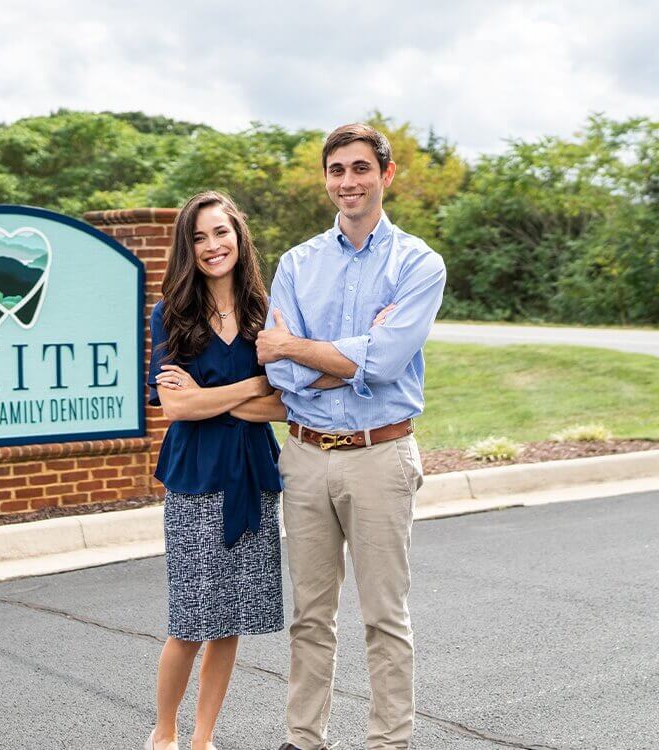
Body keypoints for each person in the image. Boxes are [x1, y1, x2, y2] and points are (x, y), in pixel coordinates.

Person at [259, 124, 447, 750]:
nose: (348, 182)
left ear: (385, 175)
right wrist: (348, 355)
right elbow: (276, 366)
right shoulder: (296, 264)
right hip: (306, 457)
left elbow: (388, 360)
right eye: (337, 170)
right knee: (309, 617)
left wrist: (304, 349)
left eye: (361, 168)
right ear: (326, 179)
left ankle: (388, 743)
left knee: (383, 617)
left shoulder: (418, 264)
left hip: (380, 455)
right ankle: (303, 739)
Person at [146, 190, 288, 750]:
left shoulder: (267, 312)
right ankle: (165, 734)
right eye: (199, 237)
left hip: (252, 478)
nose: (212, 246)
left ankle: (204, 738)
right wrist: (255, 385)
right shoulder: (171, 314)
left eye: (221, 233)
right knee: (188, 623)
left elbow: (284, 405)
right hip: (195, 482)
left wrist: (213, 394)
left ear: (239, 236)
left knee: (229, 622)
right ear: (188, 247)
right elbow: (177, 407)